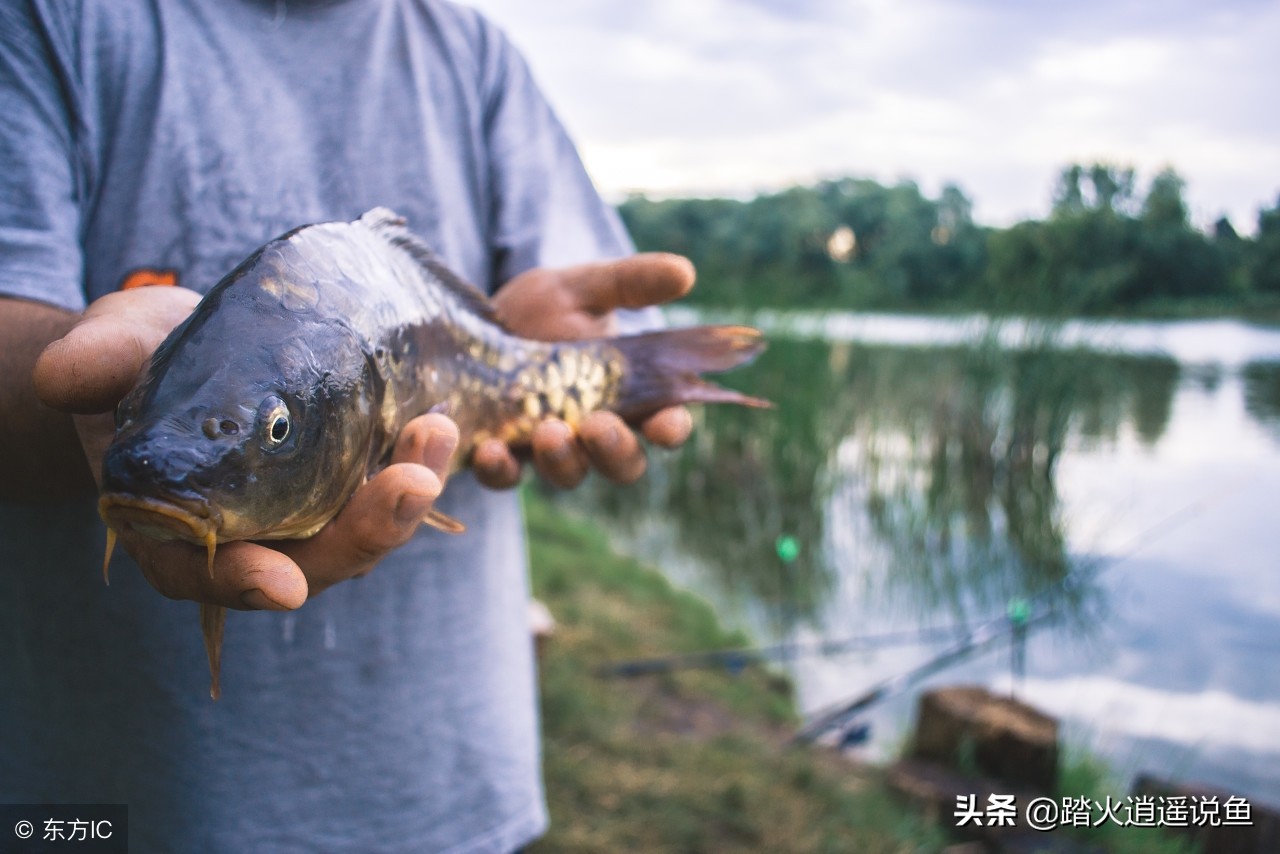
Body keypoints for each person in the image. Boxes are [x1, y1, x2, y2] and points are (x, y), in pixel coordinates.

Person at [0, 1, 693, 850]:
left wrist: (538, 359)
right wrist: (79, 385)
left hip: (449, 788)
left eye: (278, 432)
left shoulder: (471, 50)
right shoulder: (51, 18)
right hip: (114, 797)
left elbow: (552, 295)